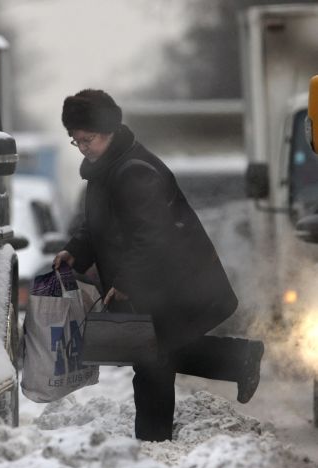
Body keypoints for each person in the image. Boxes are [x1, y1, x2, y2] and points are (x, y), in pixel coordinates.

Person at [53, 88, 265, 442]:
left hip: (170, 283)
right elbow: (99, 224)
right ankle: (238, 359)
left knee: (151, 358)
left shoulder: (134, 172)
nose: (83, 147)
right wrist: (75, 249)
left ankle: (153, 439)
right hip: (155, 283)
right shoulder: (105, 170)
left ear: (108, 130)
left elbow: (152, 235)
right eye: (76, 141)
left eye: (87, 139)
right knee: (156, 352)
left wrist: (127, 280)